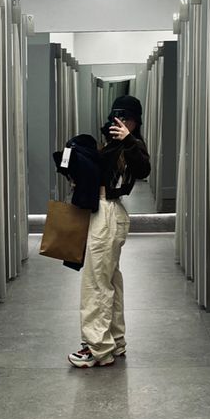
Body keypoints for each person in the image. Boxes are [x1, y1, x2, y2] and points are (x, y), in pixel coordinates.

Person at [68, 95, 151, 368]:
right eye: (118, 117)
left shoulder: (134, 146)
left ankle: (97, 347)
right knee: (110, 280)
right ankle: (114, 340)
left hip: (107, 215)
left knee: (96, 283)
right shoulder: (113, 144)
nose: (120, 122)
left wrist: (128, 138)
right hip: (106, 214)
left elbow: (143, 169)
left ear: (135, 122)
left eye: (127, 118)